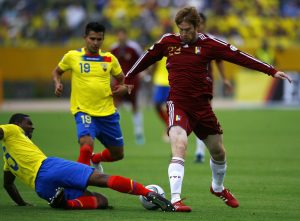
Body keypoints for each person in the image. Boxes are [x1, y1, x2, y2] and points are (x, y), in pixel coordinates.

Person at [125, 7, 292, 212]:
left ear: (197, 26)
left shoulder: (210, 44)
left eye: (187, 29)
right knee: (179, 145)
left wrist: (271, 71)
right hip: (178, 103)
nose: (183, 34)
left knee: (218, 152)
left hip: (202, 107)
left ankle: (218, 187)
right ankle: (175, 200)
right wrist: (128, 77)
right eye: (181, 29)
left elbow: (239, 56)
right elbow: (146, 57)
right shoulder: (168, 42)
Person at [0, 113, 175, 211]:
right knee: (101, 179)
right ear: (16, 124)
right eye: (28, 123)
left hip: (41, 188)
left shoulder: (7, 158)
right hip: (49, 167)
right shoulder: (13, 130)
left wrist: (21, 203)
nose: (32, 127)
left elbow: (8, 184)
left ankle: (65, 203)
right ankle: (148, 193)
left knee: (101, 201)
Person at [52, 22, 129, 172]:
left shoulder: (109, 59)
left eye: (99, 39)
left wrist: (123, 89)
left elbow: (122, 79)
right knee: (86, 145)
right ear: (85, 38)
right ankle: (78, 184)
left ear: (103, 39)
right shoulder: (72, 56)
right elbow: (57, 72)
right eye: (92, 38)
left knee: (118, 154)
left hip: (107, 113)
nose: (95, 42)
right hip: (84, 111)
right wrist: (57, 83)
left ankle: (96, 159)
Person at [194, 12, 233, 163]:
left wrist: (225, 79)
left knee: (203, 115)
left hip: (206, 83)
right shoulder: (185, 40)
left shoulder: (210, 42)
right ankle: (180, 147)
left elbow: (219, 61)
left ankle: (199, 151)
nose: (199, 26)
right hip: (188, 85)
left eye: (201, 23)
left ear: (204, 24)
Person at [110, 27, 145, 145]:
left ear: (126, 36)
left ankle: (139, 133)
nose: (121, 37)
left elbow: (143, 59)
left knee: (135, 107)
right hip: (118, 82)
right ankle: (115, 134)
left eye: (123, 35)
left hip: (132, 81)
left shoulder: (133, 48)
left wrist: (143, 73)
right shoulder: (113, 48)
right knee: (115, 107)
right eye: (119, 35)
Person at [151, 56, 170, 142]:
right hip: (159, 81)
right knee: (157, 105)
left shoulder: (177, 47)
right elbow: (154, 63)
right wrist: (151, 75)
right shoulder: (159, 47)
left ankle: (170, 129)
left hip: (171, 81)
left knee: (170, 107)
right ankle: (168, 124)